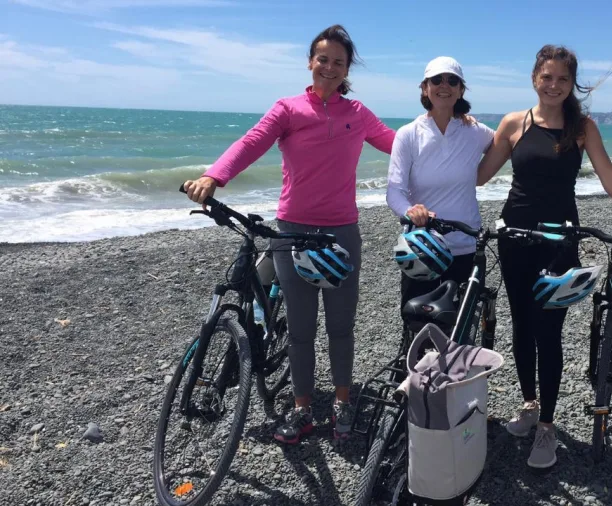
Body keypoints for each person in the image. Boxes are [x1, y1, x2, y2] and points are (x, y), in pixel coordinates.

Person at [477, 45, 612, 469]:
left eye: (562, 79)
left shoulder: (582, 127)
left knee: (548, 331)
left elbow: (610, 177)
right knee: (520, 326)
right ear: (534, 77)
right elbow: (479, 174)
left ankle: (548, 428)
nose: (553, 86)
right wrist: (448, 135)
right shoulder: (514, 123)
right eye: (546, 77)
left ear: (572, 84)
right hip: (515, 237)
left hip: (560, 242)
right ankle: (531, 404)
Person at [182, 25, 395, 443]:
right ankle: (301, 409)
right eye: (323, 59)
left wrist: (452, 127)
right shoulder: (288, 109)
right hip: (293, 231)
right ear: (310, 62)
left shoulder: (358, 115)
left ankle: (342, 401)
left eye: (338, 61)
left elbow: (401, 144)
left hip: (341, 233)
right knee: (300, 328)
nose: (329, 67)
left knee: (341, 325)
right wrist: (214, 175)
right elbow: (252, 141)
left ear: (347, 68)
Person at [387, 56, 495, 312]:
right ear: (425, 88)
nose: (444, 85)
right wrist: (410, 211)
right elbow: (394, 191)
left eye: (452, 80)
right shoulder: (408, 134)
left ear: (460, 90)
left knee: (462, 334)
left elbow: (510, 143)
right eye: (436, 80)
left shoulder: (476, 131)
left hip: (467, 245)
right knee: (420, 332)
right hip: (423, 247)